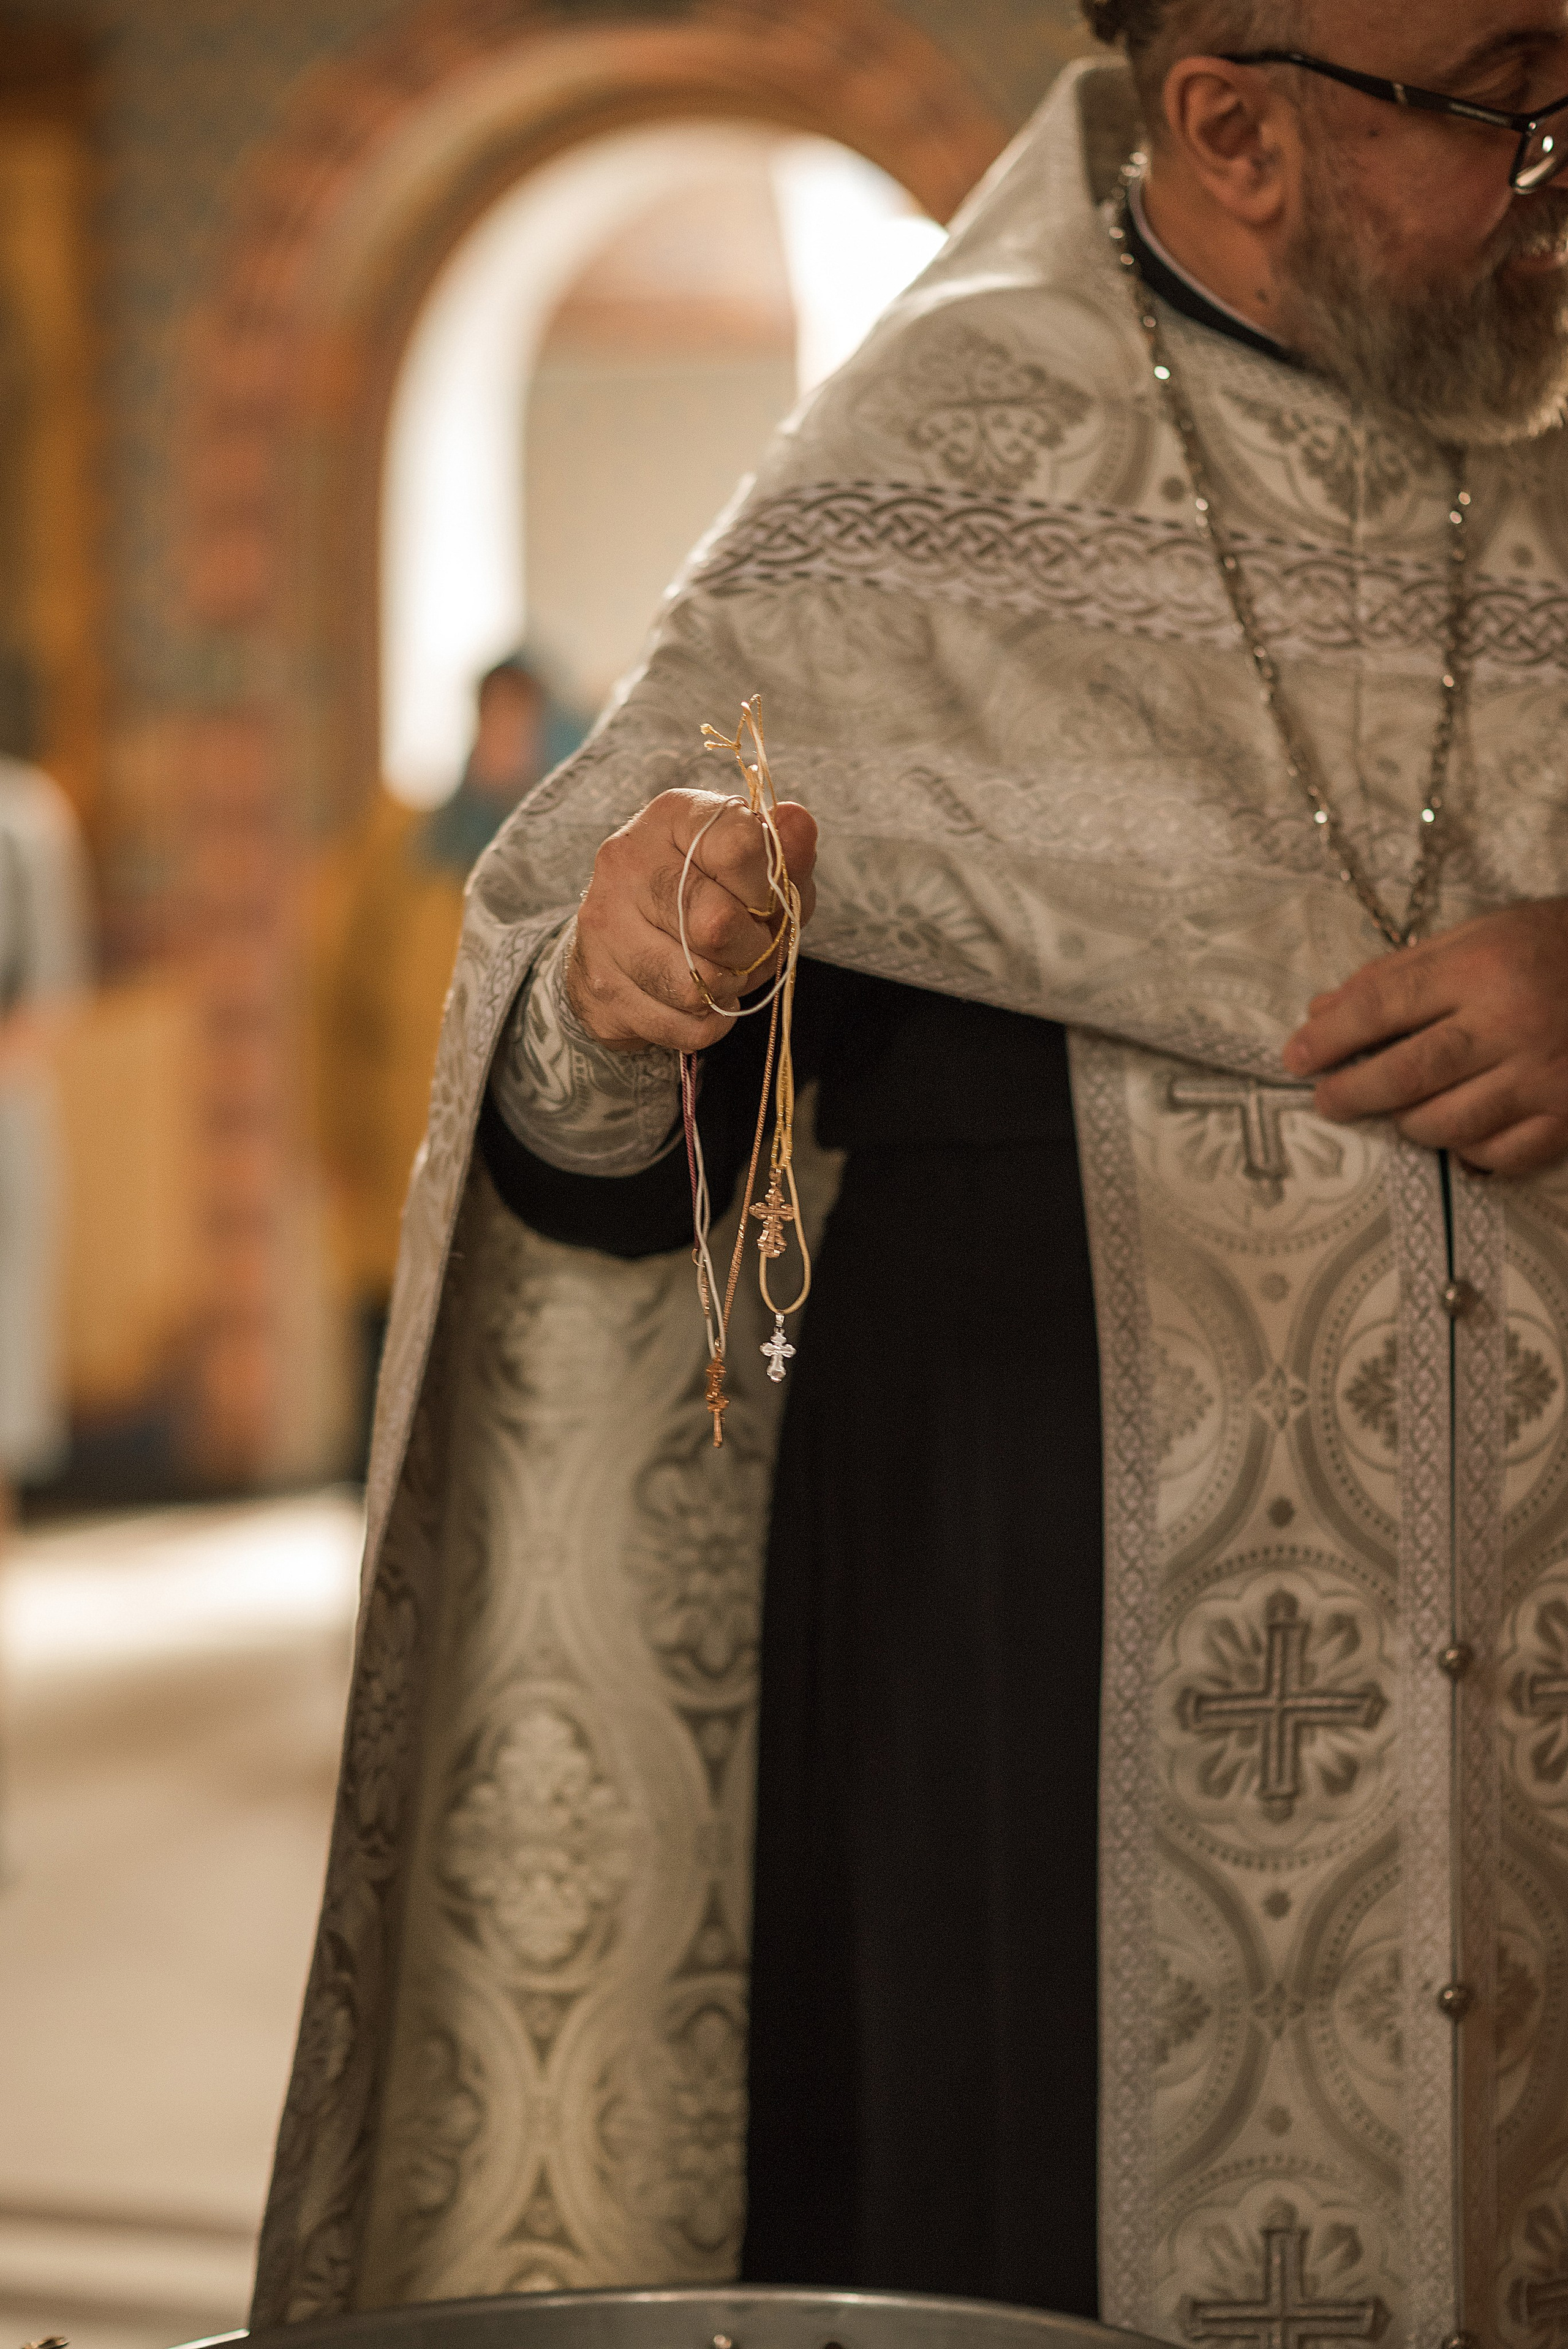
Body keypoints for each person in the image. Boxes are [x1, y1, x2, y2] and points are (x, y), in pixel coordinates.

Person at [257, 4, 1568, 2337]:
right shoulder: (921, 477)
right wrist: (636, 975)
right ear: (1236, 128)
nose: (1564, 146)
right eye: (1505, 90)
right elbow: (605, 1156)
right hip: (1031, 1785)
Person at [307, 653, 582, 1470]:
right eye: (497, 719)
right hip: (403, 1146)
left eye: (526, 721)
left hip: (518, 1154)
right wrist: (337, 1138)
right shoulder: (409, 842)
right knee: (392, 1370)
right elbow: (342, 1000)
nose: (510, 740)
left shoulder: (574, 843)